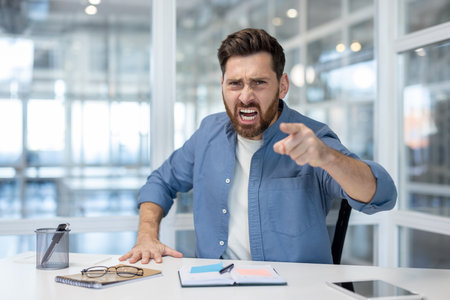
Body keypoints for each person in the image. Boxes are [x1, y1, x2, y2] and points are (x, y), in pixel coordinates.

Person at [119, 28, 397, 265]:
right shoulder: (208, 133)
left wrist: (328, 158)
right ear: (222, 86)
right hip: (212, 286)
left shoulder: (312, 140)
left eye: (259, 83)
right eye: (235, 84)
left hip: (295, 290)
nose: (246, 96)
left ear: (282, 86)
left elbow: (380, 194)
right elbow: (160, 182)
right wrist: (146, 236)